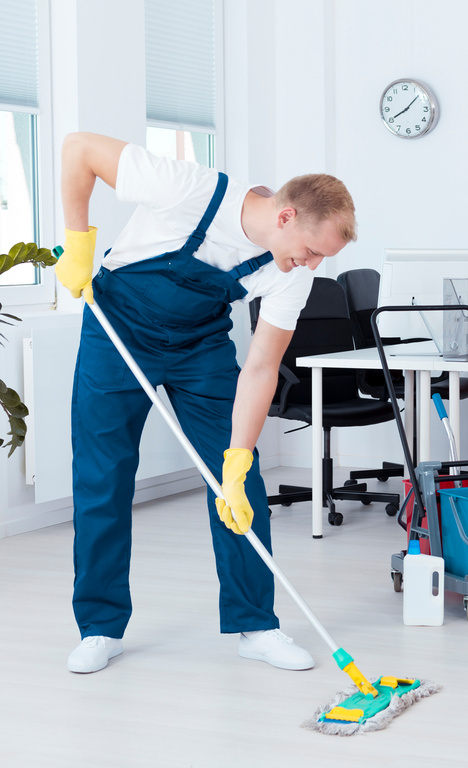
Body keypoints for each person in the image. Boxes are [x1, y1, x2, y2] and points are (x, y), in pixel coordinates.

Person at [56, 132, 357, 673]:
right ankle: (100, 627)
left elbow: (262, 367)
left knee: (241, 481)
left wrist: (238, 456)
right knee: (103, 476)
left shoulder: (289, 274)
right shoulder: (189, 189)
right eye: (312, 251)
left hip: (200, 345)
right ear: (286, 216)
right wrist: (78, 244)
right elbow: (80, 149)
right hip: (117, 329)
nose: (312, 265)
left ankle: (256, 625)